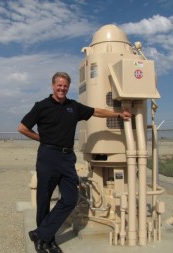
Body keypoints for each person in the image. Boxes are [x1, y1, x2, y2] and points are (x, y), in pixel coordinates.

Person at [18, 72, 131, 253]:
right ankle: (46, 241)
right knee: (44, 199)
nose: (62, 88)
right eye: (59, 85)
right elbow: (22, 128)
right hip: (48, 156)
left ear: (68, 87)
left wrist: (118, 114)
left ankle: (41, 234)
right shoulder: (41, 106)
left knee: (70, 199)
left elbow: (96, 111)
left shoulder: (74, 107)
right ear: (53, 86)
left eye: (65, 86)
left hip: (67, 158)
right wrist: (41, 139)